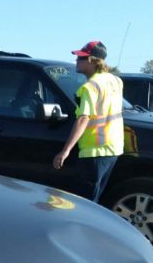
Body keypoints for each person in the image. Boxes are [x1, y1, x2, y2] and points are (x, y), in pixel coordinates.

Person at [52, 40, 124, 202]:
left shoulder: (90, 87)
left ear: (92, 61)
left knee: (85, 203)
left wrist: (66, 151)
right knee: (95, 198)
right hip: (113, 148)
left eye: (81, 58)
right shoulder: (115, 81)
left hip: (95, 151)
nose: (76, 61)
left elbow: (84, 118)